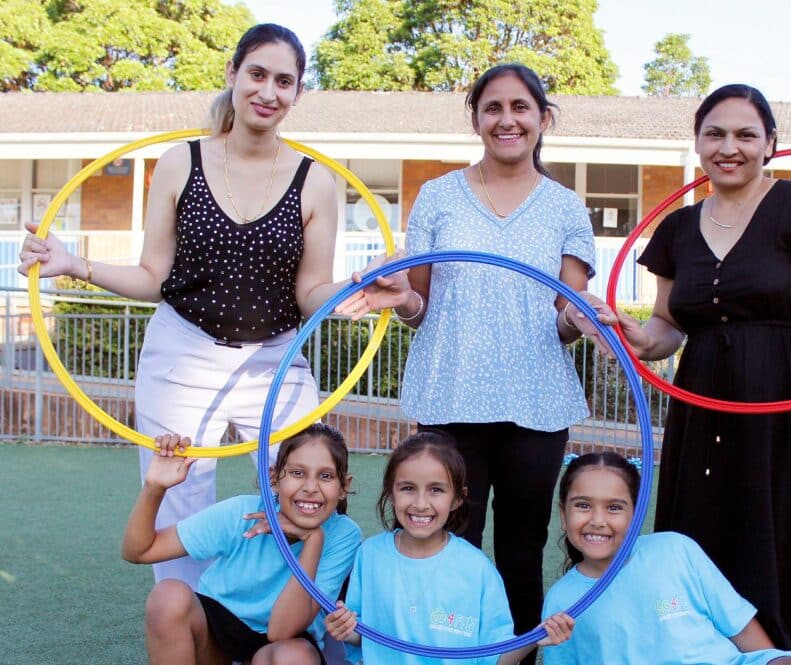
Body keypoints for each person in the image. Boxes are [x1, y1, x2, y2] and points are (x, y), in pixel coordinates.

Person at [17, 23, 411, 585]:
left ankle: (292, 628)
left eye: (284, 81)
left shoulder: (315, 182)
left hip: (276, 357)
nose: (268, 92)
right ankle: (188, 625)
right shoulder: (182, 163)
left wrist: (363, 294)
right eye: (256, 74)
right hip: (182, 353)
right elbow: (155, 276)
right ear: (232, 74)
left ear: (298, 93)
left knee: (309, 487)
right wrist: (74, 264)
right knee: (181, 500)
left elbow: (310, 293)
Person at [566, 84, 791, 664]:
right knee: (699, 535)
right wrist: (638, 340)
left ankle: (790, 655)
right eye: (714, 133)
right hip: (701, 400)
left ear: (770, 144)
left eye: (745, 134)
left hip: (782, 396)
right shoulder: (678, 230)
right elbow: (667, 326)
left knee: (782, 527)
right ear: (697, 144)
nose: (728, 147)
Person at [377, 63, 595, 662]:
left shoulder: (566, 207)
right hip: (450, 395)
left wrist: (581, 320)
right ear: (476, 118)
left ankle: (518, 657)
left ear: (542, 119)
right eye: (493, 108)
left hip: (535, 401)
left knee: (522, 549)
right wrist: (398, 299)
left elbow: (565, 316)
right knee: (448, 541)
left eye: (521, 107)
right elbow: (417, 305)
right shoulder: (439, 196)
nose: (507, 120)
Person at [542, 452, 791, 665]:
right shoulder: (560, 601)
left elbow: (743, 630)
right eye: (583, 505)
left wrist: (775, 660)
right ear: (563, 515)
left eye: (615, 507)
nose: (598, 520)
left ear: (637, 514)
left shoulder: (676, 549)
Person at [324, 431, 573, 665]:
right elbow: (362, 635)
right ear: (391, 492)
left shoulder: (476, 569)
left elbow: (495, 657)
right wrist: (346, 630)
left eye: (436, 490)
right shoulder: (370, 555)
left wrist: (536, 637)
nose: (421, 504)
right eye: (408, 488)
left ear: (457, 498)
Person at [122, 423, 361, 665]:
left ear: (344, 487)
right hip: (218, 639)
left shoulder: (343, 535)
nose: (310, 487)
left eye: (326, 476)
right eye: (298, 473)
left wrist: (313, 539)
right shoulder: (242, 512)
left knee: (292, 657)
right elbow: (139, 550)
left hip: (282, 642)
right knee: (167, 597)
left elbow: (281, 631)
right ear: (274, 479)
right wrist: (155, 487)